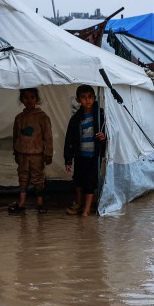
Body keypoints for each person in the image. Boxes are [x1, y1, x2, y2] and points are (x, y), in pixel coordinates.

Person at [63, 84, 107, 217]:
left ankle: (87, 209)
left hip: (93, 156)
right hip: (80, 155)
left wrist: (104, 136)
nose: (87, 100)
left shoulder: (100, 116)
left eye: (90, 97)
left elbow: (111, 131)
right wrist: (68, 158)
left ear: (95, 98)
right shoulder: (76, 119)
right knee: (78, 180)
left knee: (90, 181)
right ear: (77, 100)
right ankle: (78, 203)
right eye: (83, 97)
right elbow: (69, 140)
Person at [10, 88, 52, 213]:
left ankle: (40, 203)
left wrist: (48, 153)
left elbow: (48, 137)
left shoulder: (42, 117)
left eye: (32, 97)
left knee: (38, 178)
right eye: (26, 97)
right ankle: (22, 202)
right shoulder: (19, 118)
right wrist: (15, 151)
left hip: (36, 154)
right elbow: (15, 136)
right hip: (22, 153)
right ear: (21, 99)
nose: (29, 100)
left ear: (37, 99)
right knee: (23, 177)